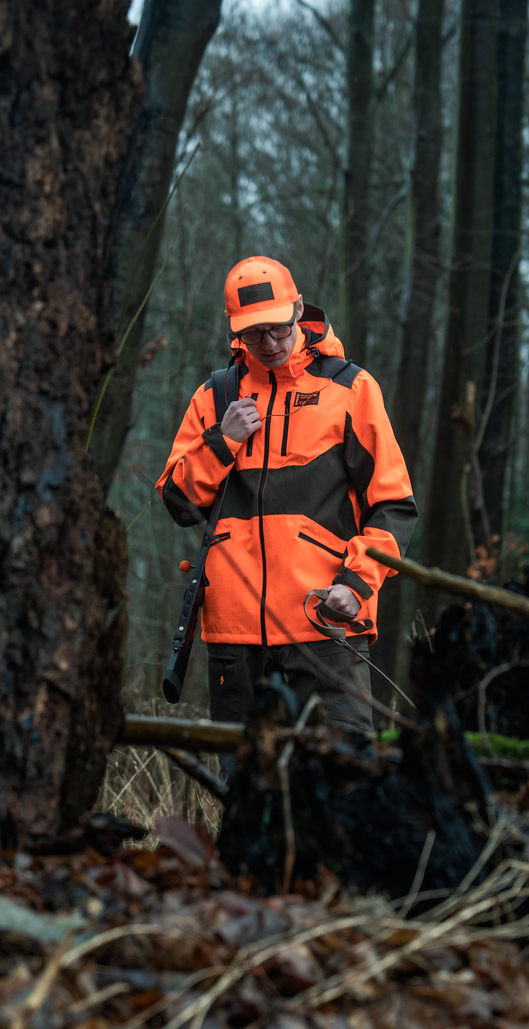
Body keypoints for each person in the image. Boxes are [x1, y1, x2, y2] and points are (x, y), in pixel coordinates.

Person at [157, 256, 418, 736]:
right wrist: (223, 440)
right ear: (236, 329)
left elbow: (394, 506)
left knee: (344, 779)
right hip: (234, 639)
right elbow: (178, 503)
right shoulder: (215, 398)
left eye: (278, 328)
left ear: (299, 309)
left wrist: (356, 586)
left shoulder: (350, 389)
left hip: (324, 624)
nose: (270, 344)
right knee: (244, 793)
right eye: (255, 334)